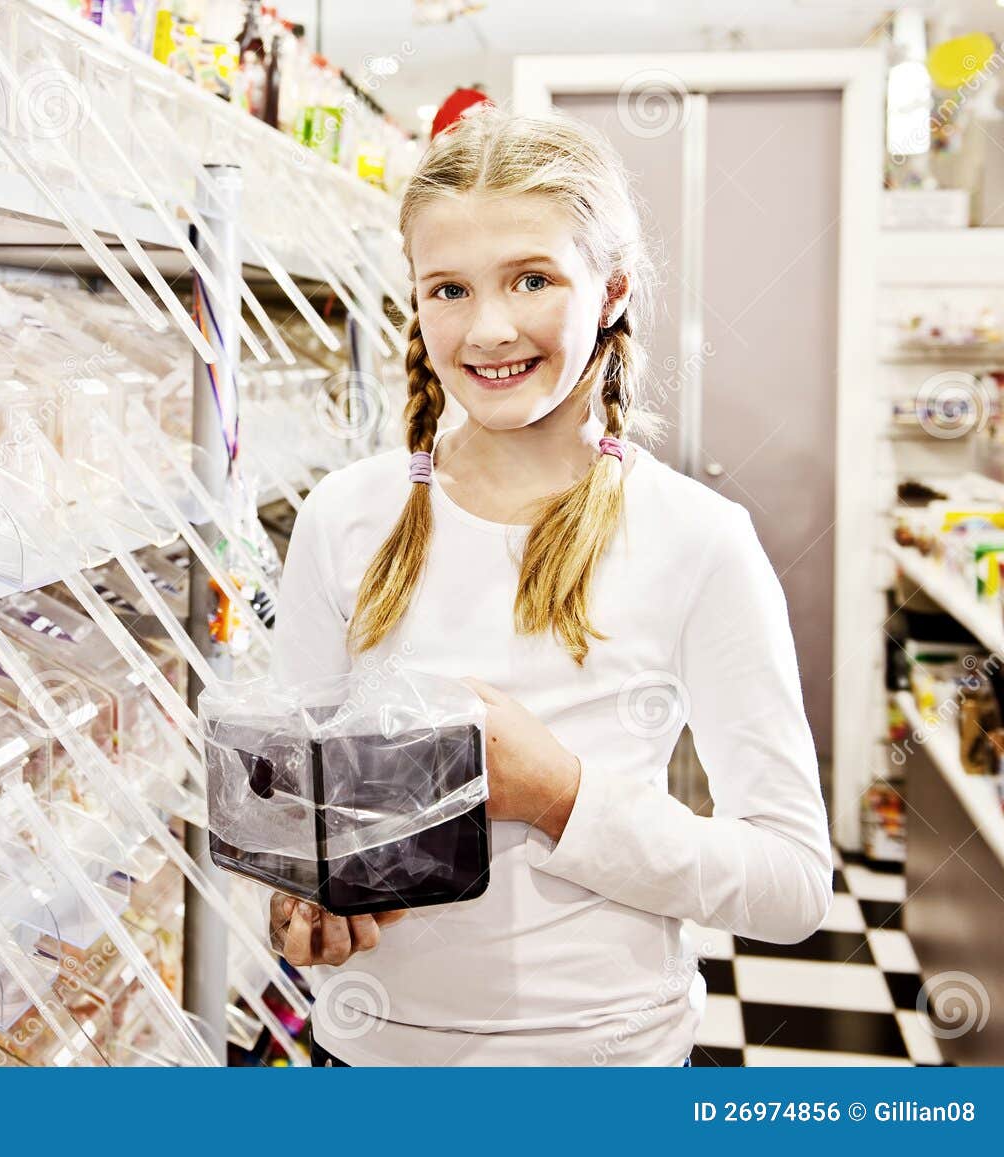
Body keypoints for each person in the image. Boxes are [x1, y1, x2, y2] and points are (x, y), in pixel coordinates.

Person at [267, 104, 832, 1066]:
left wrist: (561, 796)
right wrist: (300, 904)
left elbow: (791, 886)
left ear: (609, 290)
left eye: (532, 278)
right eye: (447, 289)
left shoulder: (698, 539)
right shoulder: (343, 518)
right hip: (368, 1057)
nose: (487, 328)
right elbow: (288, 811)